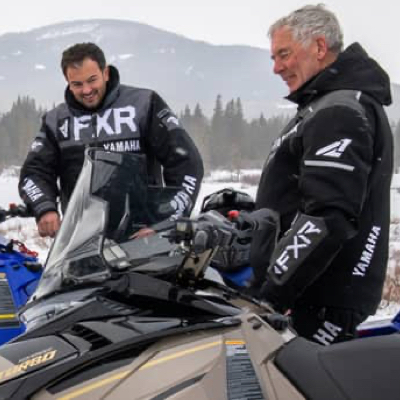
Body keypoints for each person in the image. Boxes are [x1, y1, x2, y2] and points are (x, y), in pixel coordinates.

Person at [250, 4, 393, 345]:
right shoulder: (323, 104)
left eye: (284, 54)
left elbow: (328, 216)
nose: (276, 68)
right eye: (273, 58)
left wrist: (272, 293)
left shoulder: (339, 110)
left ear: (318, 47)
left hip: (321, 298)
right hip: (312, 294)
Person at [18, 42, 204, 238]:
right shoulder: (56, 120)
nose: (87, 90)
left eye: (92, 80)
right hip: (80, 242)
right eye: (77, 84)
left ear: (105, 73)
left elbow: (186, 161)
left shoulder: (144, 104)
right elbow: (34, 172)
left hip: (144, 237)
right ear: (67, 81)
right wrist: (45, 207)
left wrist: (165, 220)